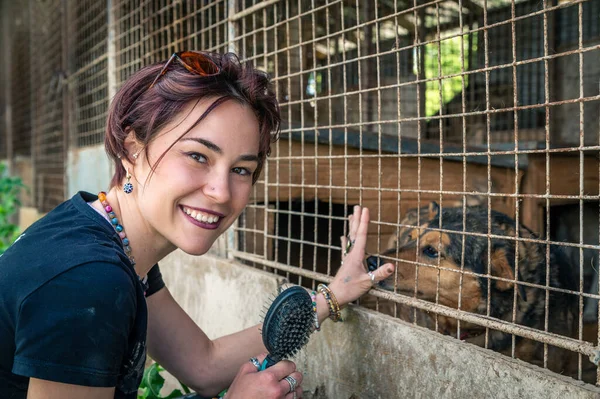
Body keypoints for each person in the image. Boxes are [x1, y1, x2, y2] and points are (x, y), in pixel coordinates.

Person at [0, 51, 395, 399]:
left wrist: (333, 295)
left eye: (241, 169)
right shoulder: (89, 279)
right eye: (198, 156)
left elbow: (203, 366)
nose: (221, 192)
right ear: (133, 149)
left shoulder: (109, 234)